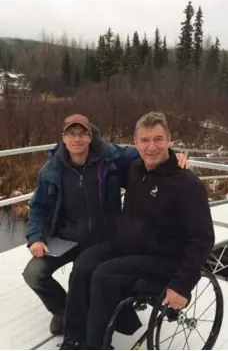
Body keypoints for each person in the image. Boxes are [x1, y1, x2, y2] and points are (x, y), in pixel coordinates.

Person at [60, 112, 215, 350]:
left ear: (169, 140)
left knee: (104, 274)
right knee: (84, 262)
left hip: (163, 257)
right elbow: (99, 159)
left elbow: (202, 238)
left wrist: (182, 285)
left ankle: (96, 345)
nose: (151, 147)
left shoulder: (186, 183)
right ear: (135, 142)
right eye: (144, 140)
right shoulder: (134, 169)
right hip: (129, 247)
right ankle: (74, 337)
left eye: (158, 139)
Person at [22, 113, 187, 336]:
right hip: (66, 238)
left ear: (91, 136)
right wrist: (36, 237)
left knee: (81, 272)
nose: (77, 139)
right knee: (33, 273)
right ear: (63, 138)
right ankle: (65, 312)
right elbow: (38, 207)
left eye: (82, 134)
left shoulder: (110, 157)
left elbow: (149, 150)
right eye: (72, 134)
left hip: (105, 237)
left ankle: (84, 320)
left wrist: (174, 157)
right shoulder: (51, 170)